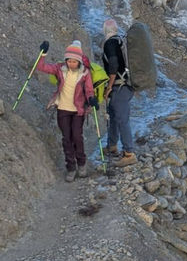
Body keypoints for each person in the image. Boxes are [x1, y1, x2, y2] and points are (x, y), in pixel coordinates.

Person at [36, 40, 98, 181]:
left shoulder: (85, 73)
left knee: (77, 136)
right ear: (65, 60)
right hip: (63, 109)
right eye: (69, 61)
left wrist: (91, 99)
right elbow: (41, 67)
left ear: (79, 61)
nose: (71, 63)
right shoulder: (59, 69)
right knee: (66, 139)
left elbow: (89, 90)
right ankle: (71, 167)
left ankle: (81, 164)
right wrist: (43, 53)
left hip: (78, 110)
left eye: (74, 61)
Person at [102, 19, 137, 167]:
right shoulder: (121, 41)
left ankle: (129, 153)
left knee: (121, 119)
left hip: (119, 86)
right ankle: (112, 146)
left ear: (105, 31)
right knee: (114, 116)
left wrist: (109, 87)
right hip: (126, 86)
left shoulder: (110, 43)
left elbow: (114, 65)